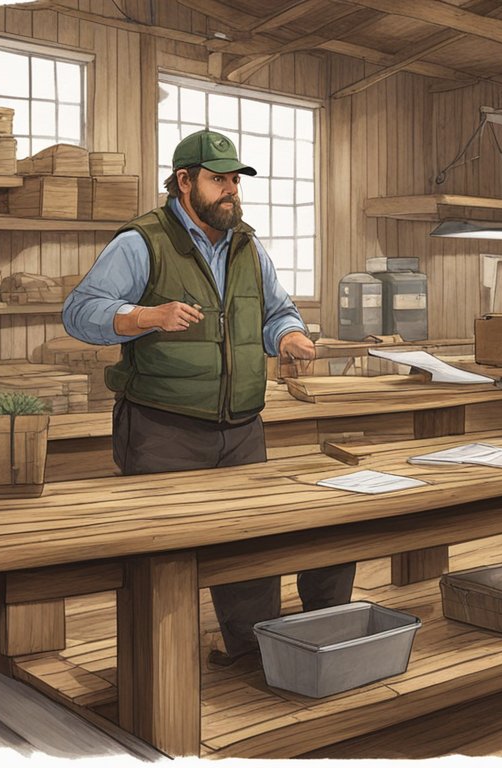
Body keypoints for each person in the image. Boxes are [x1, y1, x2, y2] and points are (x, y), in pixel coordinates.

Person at [63, 129, 356, 667]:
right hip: (162, 430)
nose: (231, 192)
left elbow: (278, 310)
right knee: (163, 559)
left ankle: (251, 655)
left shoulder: (246, 244)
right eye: (218, 180)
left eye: (235, 182)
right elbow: (79, 312)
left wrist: (288, 335)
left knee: (251, 548)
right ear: (183, 182)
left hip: (241, 428)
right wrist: (144, 317)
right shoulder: (142, 241)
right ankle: (156, 678)